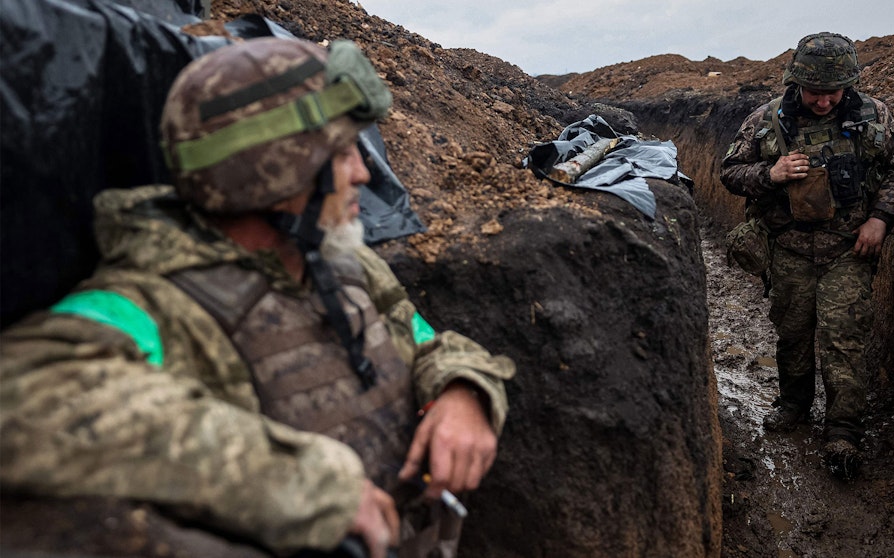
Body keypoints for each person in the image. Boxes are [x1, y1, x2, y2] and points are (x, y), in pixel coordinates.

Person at [0, 37, 515, 558]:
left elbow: (426, 341)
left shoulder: (343, 264)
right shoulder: (151, 305)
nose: (364, 172)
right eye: (340, 153)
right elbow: (20, 394)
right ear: (271, 171)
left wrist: (463, 390)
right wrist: (303, 483)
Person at [720, 32, 894, 479]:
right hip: (788, 249)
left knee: (843, 337)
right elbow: (729, 173)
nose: (824, 102)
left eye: (833, 92)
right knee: (792, 332)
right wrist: (770, 173)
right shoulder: (766, 120)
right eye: (815, 93)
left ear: (848, 84)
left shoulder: (874, 117)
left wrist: (881, 218)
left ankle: (844, 429)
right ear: (796, 84)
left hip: (848, 250)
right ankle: (793, 403)